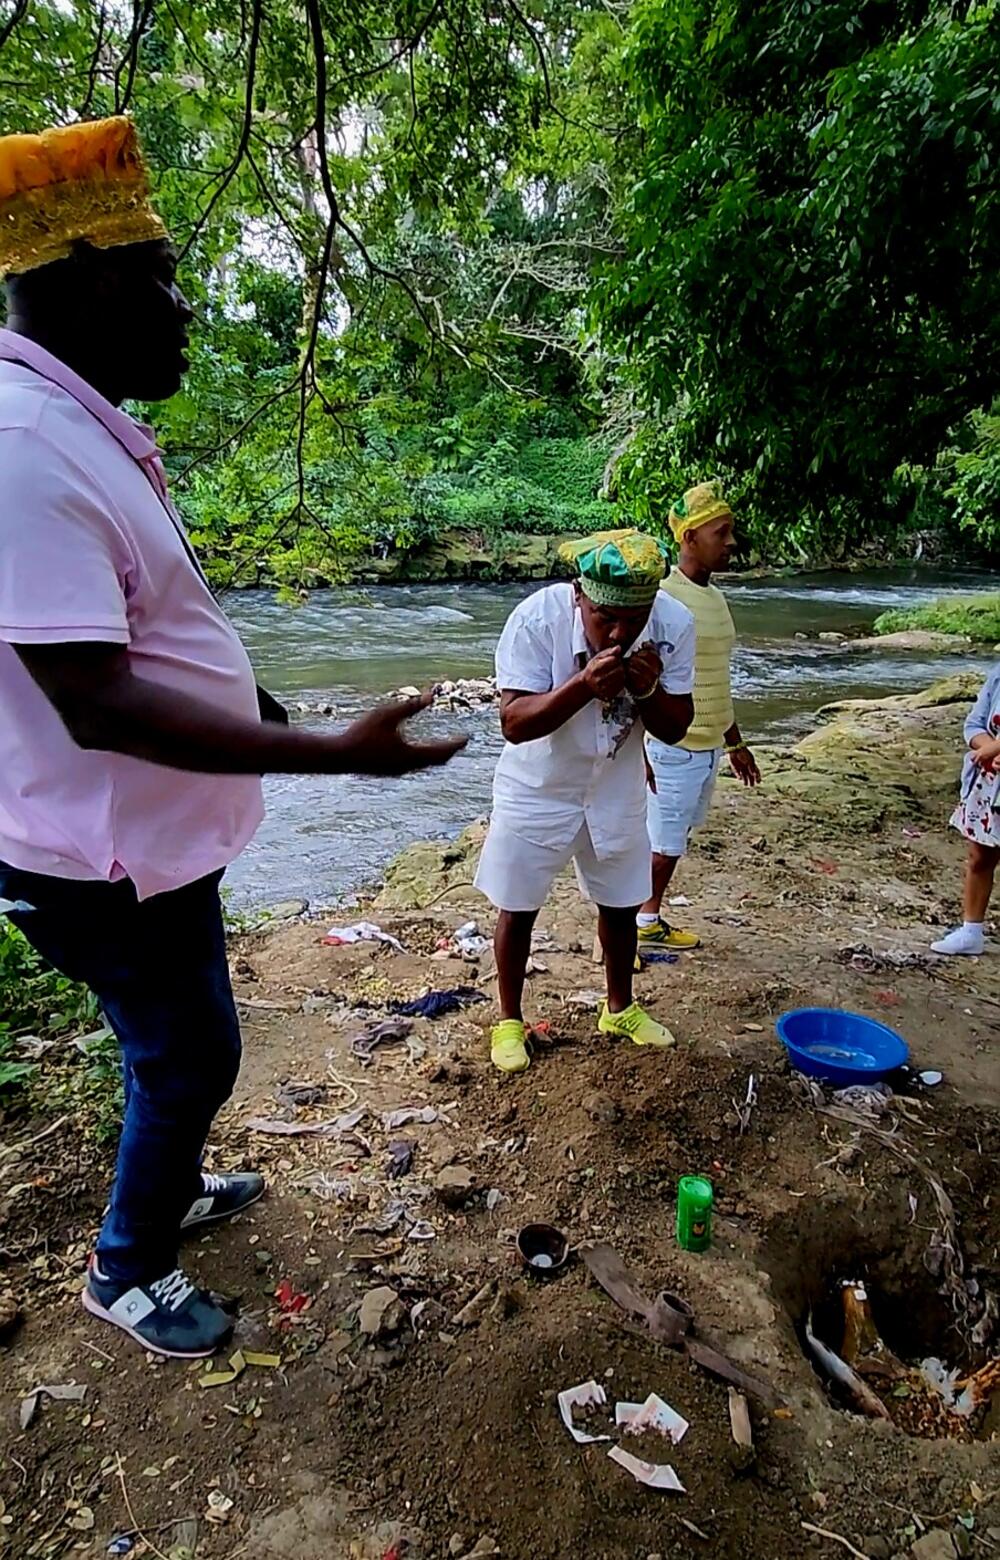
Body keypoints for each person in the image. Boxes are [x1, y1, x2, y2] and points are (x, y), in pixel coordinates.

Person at [0, 118, 465, 1358]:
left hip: (149, 846)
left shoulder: (76, 424)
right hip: (91, 856)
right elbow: (95, 701)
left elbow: (166, 633)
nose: (185, 312)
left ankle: (169, 1183)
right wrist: (337, 755)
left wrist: (281, 718)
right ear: (100, 280)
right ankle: (126, 1263)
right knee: (193, 1051)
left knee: (171, 1042)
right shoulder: (22, 444)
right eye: (168, 282)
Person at [474, 529, 695, 1073]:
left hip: (616, 785)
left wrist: (648, 691)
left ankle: (619, 1007)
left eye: (634, 617)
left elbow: (679, 726)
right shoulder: (535, 620)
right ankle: (508, 1019)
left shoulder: (673, 624)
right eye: (604, 618)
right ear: (579, 595)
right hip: (539, 786)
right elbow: (513, 723)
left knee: (620, 904)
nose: (620, 632)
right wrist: (581, 686)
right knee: (518, 904)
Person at [637, 482, 760, 951]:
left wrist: (734, 742)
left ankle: (647, 920)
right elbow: (639, 679)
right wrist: (638, 752)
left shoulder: (715, 599)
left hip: (706, 744)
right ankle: (621, 934)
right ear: (688, 539)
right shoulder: (662, 599)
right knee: (661, 846)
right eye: (721, 533)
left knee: (674, 840)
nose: (731, 543)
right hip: (670, 746)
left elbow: (715, 677)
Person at [931, 664, 1000, 956]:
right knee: (979, 856)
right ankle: (971, 931)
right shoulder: (999, 675)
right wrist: (989, 750)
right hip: (991, 783)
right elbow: (974, 724)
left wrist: (994, 750)